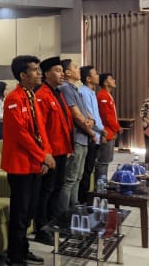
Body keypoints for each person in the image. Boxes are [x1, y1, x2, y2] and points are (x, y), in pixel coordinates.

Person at [1, 55, 54, 266]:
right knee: (20, 213)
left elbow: (41, 130)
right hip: (20, 165)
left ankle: (24, 250)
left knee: (30, 211)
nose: (39, 73)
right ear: (23, 75)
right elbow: (21, 135)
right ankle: (15, 257)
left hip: (34, 163)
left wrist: (45, 157)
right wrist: (43, 156)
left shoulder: (31, 96)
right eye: (34, 69)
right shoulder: (13, 99)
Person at [33, 56, 73, 245]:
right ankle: (41, 229)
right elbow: (39, 129)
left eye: (62, 70)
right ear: (47, 74)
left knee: (57, 188)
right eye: (58, 70)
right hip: (50, 153)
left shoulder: (57, 93)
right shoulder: (41, 95)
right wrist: (44, 155)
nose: (62, 74)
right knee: (46, 191)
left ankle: (53, 223)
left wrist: (68, 147)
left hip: (61, 150)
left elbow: (63, 123)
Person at [57, 59, 95, 213]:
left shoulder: (76, 89)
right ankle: (64, 213)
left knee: (78, 177)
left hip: (83, 138)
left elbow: (87, 115)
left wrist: (90, 122)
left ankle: (74, 208)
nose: (78, 70)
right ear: (67, 73)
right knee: (70, 179)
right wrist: (89, 128)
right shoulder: (65, 88)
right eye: (75, 67)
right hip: (76, 139)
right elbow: (77, 116)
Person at [78, 66, 105, 202]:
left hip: (97, 135)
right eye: (95, 74)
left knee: (90, 170)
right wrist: (101, 131)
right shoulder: (83, 92)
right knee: (86, 171)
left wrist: (101, 131)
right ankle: (82, 202)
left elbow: (96, 116)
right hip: (90, 136)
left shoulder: (92, 92)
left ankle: (87, 199)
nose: (98, 76)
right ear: (88, 78)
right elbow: (89, 117)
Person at [97, 73, 121, 179]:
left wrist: (115, 129)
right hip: (106, 132)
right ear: (106, 82)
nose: (114, 80)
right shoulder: (103, 96)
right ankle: (101, 185)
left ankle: (103, 182)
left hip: (111, 131)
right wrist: (117, 128)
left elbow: (112, 115)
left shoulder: (108, 95)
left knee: (107, 160)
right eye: (111, 79)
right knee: (103, 161)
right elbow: (106, 117)